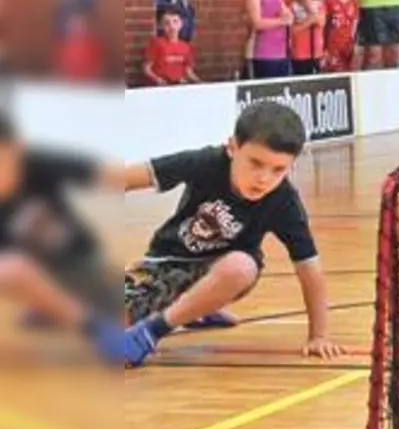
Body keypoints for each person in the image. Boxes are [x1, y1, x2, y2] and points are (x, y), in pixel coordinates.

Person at [120, 100, 344, 367]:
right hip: (165, 263)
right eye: (256, 163)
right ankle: (195, 309)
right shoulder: (205, 162)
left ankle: (151, 333)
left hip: (229, 272)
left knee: (242, 266)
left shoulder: (284, 202)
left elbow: (310, 268)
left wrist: (319, 335)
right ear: (232, 147)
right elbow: (134, 175)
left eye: (278, 170)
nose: (264, 178)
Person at [0, 111, 124, 363]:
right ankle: (94, 327)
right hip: (34, 274)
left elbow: (107, 175)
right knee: (10, 269)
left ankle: (189, 307)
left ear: (16, 149)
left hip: (81, 267)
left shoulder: (38, 165)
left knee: (126, 308)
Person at [244, 0, 293, 79]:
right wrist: (281, 21)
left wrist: (286, 16)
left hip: (281, 52)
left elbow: (288, 16)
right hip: (263, 53)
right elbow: (257, 22)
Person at [144, 4, 202, 86]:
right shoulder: (157, 43)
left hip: (179, 85)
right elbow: (147, 69)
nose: (172, 27)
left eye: (175, 21)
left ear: (181, 23)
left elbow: (188, 71)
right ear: (161, 26)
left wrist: (200, 82)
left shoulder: (186, 46)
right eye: (167, 23)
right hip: (161, 87)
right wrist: (158, 79)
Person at [321, 0, 360, 73]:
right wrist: (323, 48)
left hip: (348, 47)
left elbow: (355, 25)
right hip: (331, 47)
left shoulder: (354, 0)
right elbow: (322, 25)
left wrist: (355, 45)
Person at [287, 0, 326, 76]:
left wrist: (307, 5)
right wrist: (309, 20)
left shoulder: (319, 5)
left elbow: (321, 22)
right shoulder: (292, 7)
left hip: (316, 53)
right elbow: (292, 31)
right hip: (299, 54)